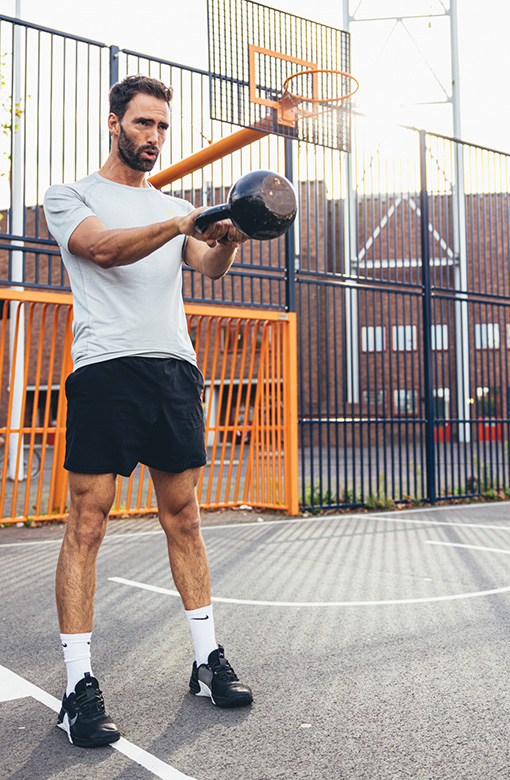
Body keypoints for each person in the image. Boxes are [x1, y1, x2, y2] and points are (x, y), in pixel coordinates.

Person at [43, 74, 253, 749]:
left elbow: (207, 263)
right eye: (142, 124)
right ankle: (78, 688)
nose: (154, 137)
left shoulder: (175, 205)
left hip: (172, 370)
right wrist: (177, 220)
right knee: (88, 520)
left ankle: (206, 662)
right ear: (114, 123)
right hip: (105, 369)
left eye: (162, 126)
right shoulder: (71, 196)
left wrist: (228, 235)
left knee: (185, 516)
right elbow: (103, 250)